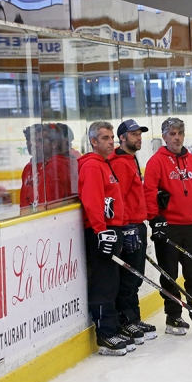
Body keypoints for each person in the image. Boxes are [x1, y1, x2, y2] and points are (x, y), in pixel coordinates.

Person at [143, 117, 192, 335]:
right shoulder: (156, 161)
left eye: (179, 133)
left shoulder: (191, 160)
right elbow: (148, 193)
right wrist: (155, 220)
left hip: (190, 227)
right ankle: (173, 317)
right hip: (168, 228)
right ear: (164, 137)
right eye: (172, 133)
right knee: (169, 275)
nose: (176, 137)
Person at [78, 121, 132, 356]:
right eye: (105, 138)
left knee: (113, 283)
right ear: (93, 142)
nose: (111, 142)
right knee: (103, 283)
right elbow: (92, 200)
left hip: (112, 230)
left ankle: (112, 328)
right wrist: (101, 230)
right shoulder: (92, 166)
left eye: (111, 138)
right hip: (101, 233)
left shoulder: (105, 164)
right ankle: (105, 335)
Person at [109, 119, 158, 344]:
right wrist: (126, 226)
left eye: (140, 134)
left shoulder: (130, 158)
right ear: (122, 138)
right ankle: (125, 320)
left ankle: (133, 318)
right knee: (129, 278)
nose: (139, 138)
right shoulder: (119, 162)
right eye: (134, 134)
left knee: (135, 276)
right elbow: (118, 198)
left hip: (136, 225)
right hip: (129, 227)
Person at [19, 124, 48, 211]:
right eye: (28, 139)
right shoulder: (27, 169)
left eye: (36, 140)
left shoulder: (50, 167)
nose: (31, 143)